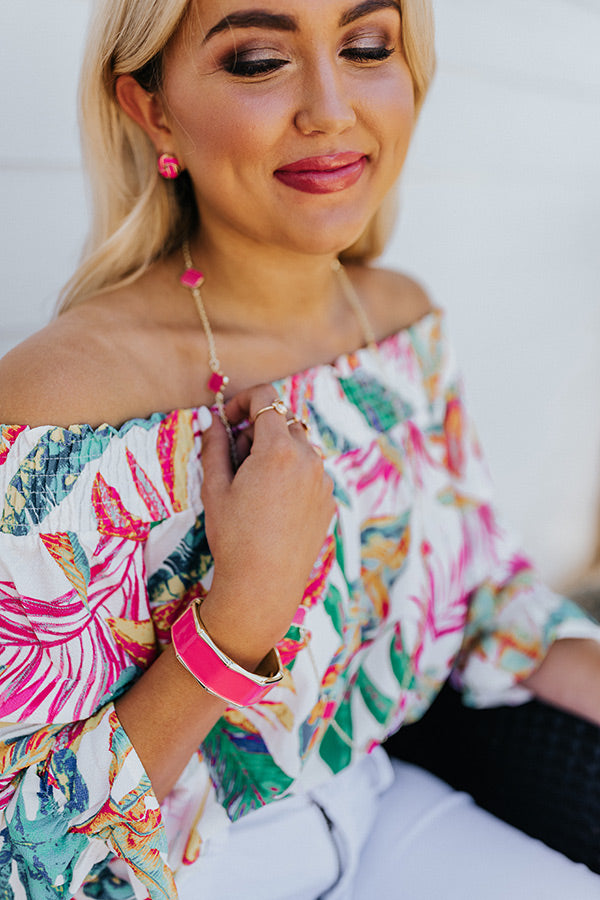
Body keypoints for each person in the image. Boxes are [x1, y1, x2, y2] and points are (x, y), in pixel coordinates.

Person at [1, 1, 600, 898]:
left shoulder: (396, 319)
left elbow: (478, 600)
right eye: (257, 61)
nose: (330, 109)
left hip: (382, 805)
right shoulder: (59, 407)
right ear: (152, 109)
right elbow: (22, 847)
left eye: (366, 46)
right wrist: (238, 618)